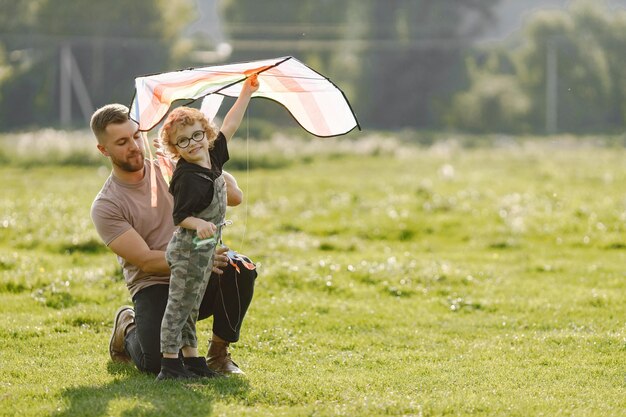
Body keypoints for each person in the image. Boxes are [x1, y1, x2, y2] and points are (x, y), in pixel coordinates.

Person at [89, 85, 257, 378]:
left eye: (136, 136)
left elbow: (234, 196)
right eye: (121, 142)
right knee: (155, 362)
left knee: (239, 267)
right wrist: (199, 255)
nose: (134, 146)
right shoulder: (106, 205)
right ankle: (128, 327)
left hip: (200, 273)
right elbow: (146, 261)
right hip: (155, 284)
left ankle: (218, 354)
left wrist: (203, 160)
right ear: (104, 150)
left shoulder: (175, 169)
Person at [155, 75, 259, 380]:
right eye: (182, 142)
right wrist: (199, 222)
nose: (192, 144)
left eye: (197, 135)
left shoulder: (211, 156)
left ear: (206, 132)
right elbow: (180, 216)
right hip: (189, 247)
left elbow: (230, 125)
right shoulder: (186, 176)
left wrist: (246, 94)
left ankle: (193, 361)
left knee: (191, 303)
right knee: (180, 305)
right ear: (174, 148)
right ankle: (170, 365)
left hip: (204, 247)